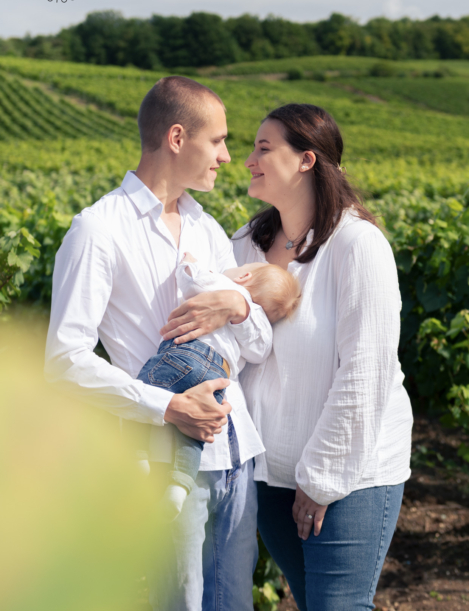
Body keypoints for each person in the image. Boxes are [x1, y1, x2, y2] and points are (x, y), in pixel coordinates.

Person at [44, 76, 273, 611]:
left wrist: (239, 306)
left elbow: (257, 346)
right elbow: (65, 360)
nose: (226, 155)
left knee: (233, 603)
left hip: (237, 453)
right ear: (176, 137)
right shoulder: (97, 230)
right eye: (217, 140)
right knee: (182, 604)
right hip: (163, 458)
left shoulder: (208, 229)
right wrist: (169, 405)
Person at [232, 103, 413, 611]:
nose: (248, 159)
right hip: (270, 475)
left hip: (349, 478)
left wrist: (322, 480)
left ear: (307, 160)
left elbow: (366, 373)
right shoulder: (248, 243)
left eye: (263, 148)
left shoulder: (358, 246)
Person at [135, 252, 301, 520]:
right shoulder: (254, 318)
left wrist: (189, 264)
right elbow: (259, 352)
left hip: (187, 353)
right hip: (217, 374)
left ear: (244, 276)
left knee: (143, 392)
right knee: (194, 430)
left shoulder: (225, 287)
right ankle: (179, 485)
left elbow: (192, 282)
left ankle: (137, 455)